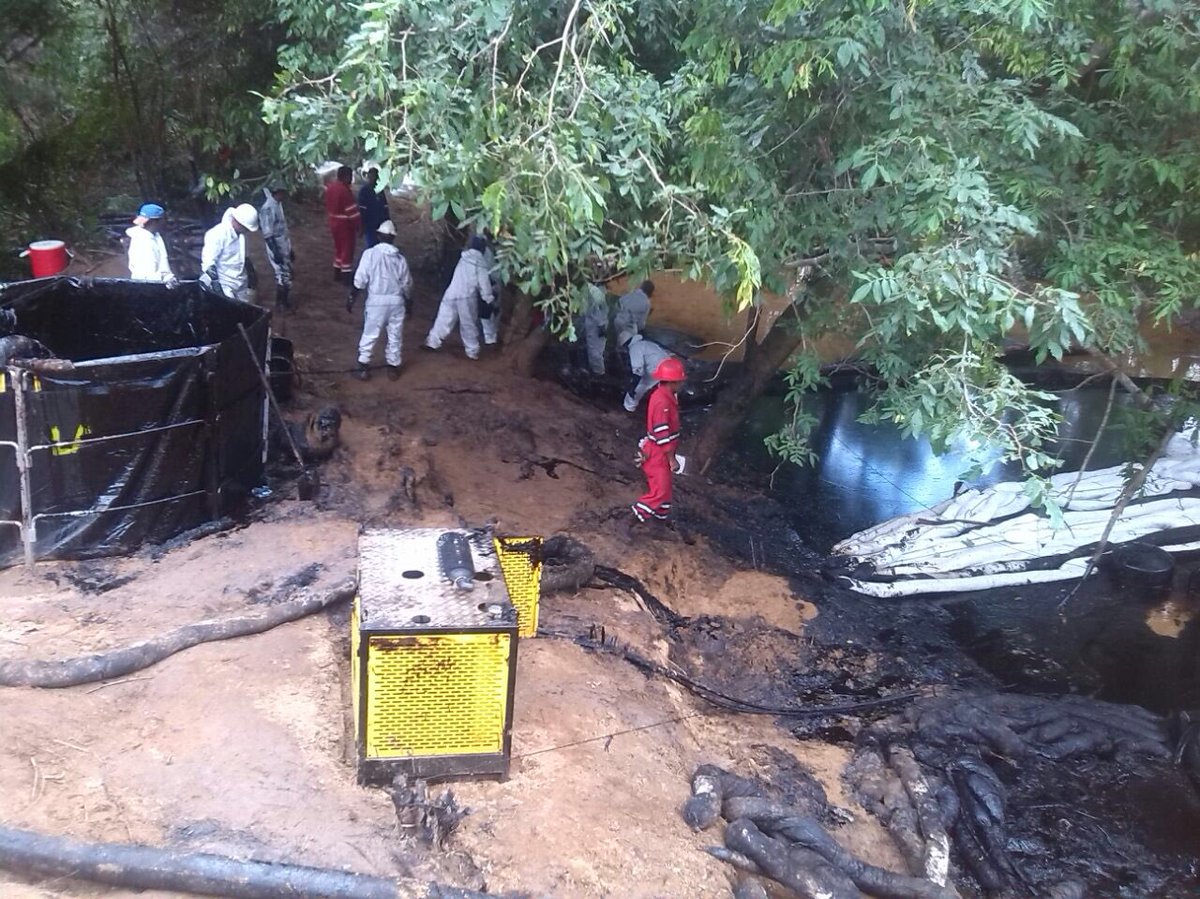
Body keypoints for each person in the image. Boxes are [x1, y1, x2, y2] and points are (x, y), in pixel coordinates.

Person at [625, 356, 686, 533]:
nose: (681, 384)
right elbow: (662, 432)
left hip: (660, 451)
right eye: (679, 381)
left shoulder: (666, 396)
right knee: (659, 492)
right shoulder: (662, 401)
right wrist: (671, 458)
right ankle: (628, 522)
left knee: (665, 491)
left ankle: (658, 525)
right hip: (658, 453)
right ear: (672, 382)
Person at [348, 221, 412, 382]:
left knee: (370, 333)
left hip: (377, 301)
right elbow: (407, 283)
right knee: (395, 335)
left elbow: (360, 279)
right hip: (397, 302)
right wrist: (409, 303)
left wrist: (352, 297)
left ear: (378, 236)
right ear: (393, 238)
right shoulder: (400, 259)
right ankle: (393, 367)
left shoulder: (370, 254)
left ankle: (363, 366)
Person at [423, 235, 494, 360]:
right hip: (467, 296)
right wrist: (488, 298)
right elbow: (484, 283)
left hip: (452, 292)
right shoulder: (480, 263)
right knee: (468, 324)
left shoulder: (463, 257)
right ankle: (472, 351)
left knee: (443, 318)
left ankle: (432, 342)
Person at [200, 203, 259, 301]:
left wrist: (252, 277)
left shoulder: (241, 235)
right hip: (224, 283)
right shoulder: (217, 234)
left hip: (240, 281)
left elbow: (244, 257)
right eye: (245, 228)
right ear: (237, 222)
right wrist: (218, 290)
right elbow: (209, 265)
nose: (246, 231)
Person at [259, 185, 294, 310]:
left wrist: (290, 249)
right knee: (283, 274)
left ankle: (283, 301)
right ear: (277, 192)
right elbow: (267, 234)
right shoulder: (268, 208)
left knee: (287, 273)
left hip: (283, 244)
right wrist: (275, 252)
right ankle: (281, 304)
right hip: (276, 245)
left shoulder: (277, 204)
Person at [325, 165, 361, 285]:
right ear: (345, 177)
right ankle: (346, 275)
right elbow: (352, 212)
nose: (351, 179)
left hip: (333, 222)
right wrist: (359, 226)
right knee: (347, 249)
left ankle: (337, 272)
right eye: (350, 177)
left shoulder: (331, 188)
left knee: (339, 248)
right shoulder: (344, 191)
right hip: (345, 224)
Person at [125, 203, 177, 286]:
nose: (165, 222)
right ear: (154, 221)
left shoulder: (156, 236)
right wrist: (163, 278)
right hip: (147, 286)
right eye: (163, 219)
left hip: (157, 284)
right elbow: (147, 274)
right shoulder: (142, 241)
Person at [622, 331, 672, 412]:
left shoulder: (635, 348)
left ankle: (629, 406)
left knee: (642, 384)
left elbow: (637, 372)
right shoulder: (645, 343)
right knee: (652, 384)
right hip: (668, 365)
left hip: (658, 368)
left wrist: (632, 387)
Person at [578, 280, 609, 375]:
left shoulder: (594, 292)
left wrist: (601, 325)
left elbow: (598, 310)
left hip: (596, 324)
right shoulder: (594, 290)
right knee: (595, 349)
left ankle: (599, 373)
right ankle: (596, 371)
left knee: (595, 351)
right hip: (594, 322)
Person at [478, 231, 503, 347]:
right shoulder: (485, 251)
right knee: (486, 311)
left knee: (493, 310)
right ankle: (490, 339)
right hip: (487, 282)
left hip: (495, 283)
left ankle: (491, 338)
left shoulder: (498, 250)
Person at [357, 168, 391, 249]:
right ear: (368, 176)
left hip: (380, 223)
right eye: (372, 176)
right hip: (369, 224)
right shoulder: (364, 191)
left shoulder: (379, 190)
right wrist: (361, 226)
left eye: (376, 176)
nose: (374, 178)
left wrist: (388, 221)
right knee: (371, 246)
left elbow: (385, 207)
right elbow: (361, 210)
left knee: (380, 246)